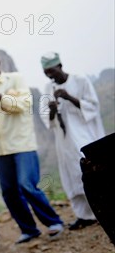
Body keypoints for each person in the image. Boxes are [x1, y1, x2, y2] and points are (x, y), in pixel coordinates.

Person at [0, 51, 64, 244]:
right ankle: (29, 229)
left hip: (22, 144)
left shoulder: (15, 80)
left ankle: (53, 222)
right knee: (9, 191)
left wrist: (1, 97)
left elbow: (24, 104)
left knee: (26, 184)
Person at [40, 52, 105, 230]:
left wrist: (68, 97)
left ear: (60, 65)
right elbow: (48, 119)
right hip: (64, 140)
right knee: (72, 175)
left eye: (51, 70)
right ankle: (84, 216)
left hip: (84, 134)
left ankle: (102, 211)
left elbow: (93, 106)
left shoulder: (80, 80)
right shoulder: (48, 88)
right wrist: (52, 109)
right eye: (46, 72)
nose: (50, 75)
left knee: (89, 171)